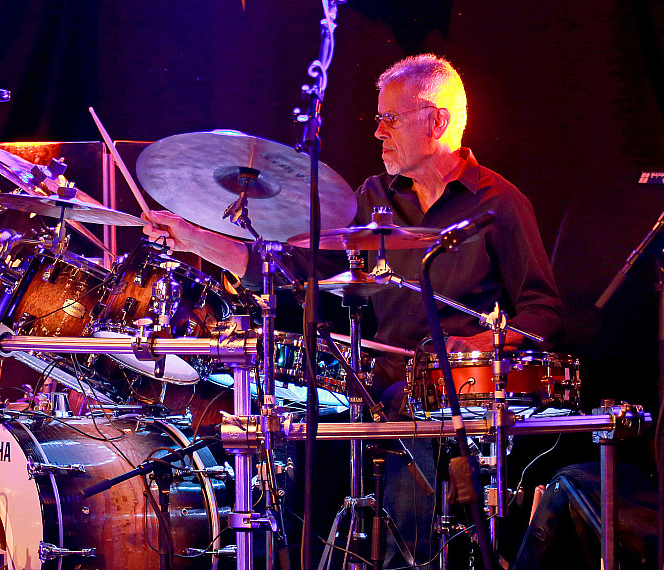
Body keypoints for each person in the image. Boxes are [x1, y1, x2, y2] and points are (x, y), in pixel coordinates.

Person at [143, 54, 564, 566]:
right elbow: (296, 271)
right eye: (378, 118)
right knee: (293, 432)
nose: (378, 132)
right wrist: (195, 239)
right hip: (378, 388)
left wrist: (477, 345)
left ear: (437, 121)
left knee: (410, 447)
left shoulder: (500, 203)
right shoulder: (373, 197)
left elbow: (543, 311)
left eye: (391, 119)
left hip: (458, 400)